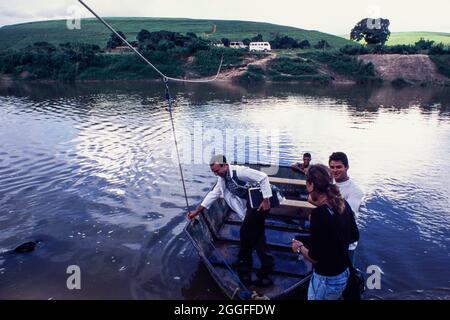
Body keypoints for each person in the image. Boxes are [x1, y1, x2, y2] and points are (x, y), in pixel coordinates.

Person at [188, 155, 274, 286]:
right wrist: (197, 211)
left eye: (217, 171)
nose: (216, 174)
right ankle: (250, 264)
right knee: (253, 235)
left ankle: (260, 268)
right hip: (251, 204)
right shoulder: (222, 179)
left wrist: (266, 200)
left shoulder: (240, 172)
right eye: (214, 172)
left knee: (249, 234)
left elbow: (263, 177)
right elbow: (213, 195)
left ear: (225, 165)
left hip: (261, 201)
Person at [292, 164, 359, 300]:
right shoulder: (343, 204)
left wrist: (299, 247)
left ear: (310, 184)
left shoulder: (319, 215)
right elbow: (354, 236)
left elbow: (314, 257)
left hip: (325, 280)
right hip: (343, 273)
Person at [329, 152, 364, 264]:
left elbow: (345, 215)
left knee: (348, 275)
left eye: (339, 167)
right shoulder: (329, 183)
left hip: (346, 243)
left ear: (347, 167)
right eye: (332, 167)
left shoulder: (355, 191)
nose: (335, 170)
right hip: (330, 238)